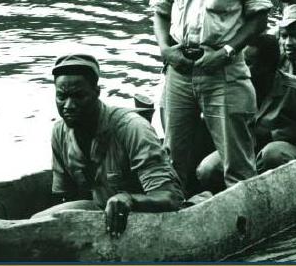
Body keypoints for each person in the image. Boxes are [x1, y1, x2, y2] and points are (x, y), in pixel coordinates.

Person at [150, 0, 272, 196]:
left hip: (224, 70)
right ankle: (177, 216)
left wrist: (228, 51)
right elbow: (161, 11)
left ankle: (245, 221)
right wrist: (166, 50)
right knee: (172, 157)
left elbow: (259, 18)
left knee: (238, 165)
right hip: (179, 70)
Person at [32, 54, 184, 237]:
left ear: (97, 93)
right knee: (37, 220)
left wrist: (129, 199)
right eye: (61, 96)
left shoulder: (132, 128)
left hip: (147, 215)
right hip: (100, 211)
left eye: (79, 96)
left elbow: (171, 198)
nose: (69, 105)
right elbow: (66, 196)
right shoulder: (59, 132)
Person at [196, 34, 296, 192]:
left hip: (286, 156)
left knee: (272, 154)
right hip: (248, 151)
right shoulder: (235, 87)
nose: (241, 68)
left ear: (268, 66)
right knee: (207, 169)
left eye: (249, 63)